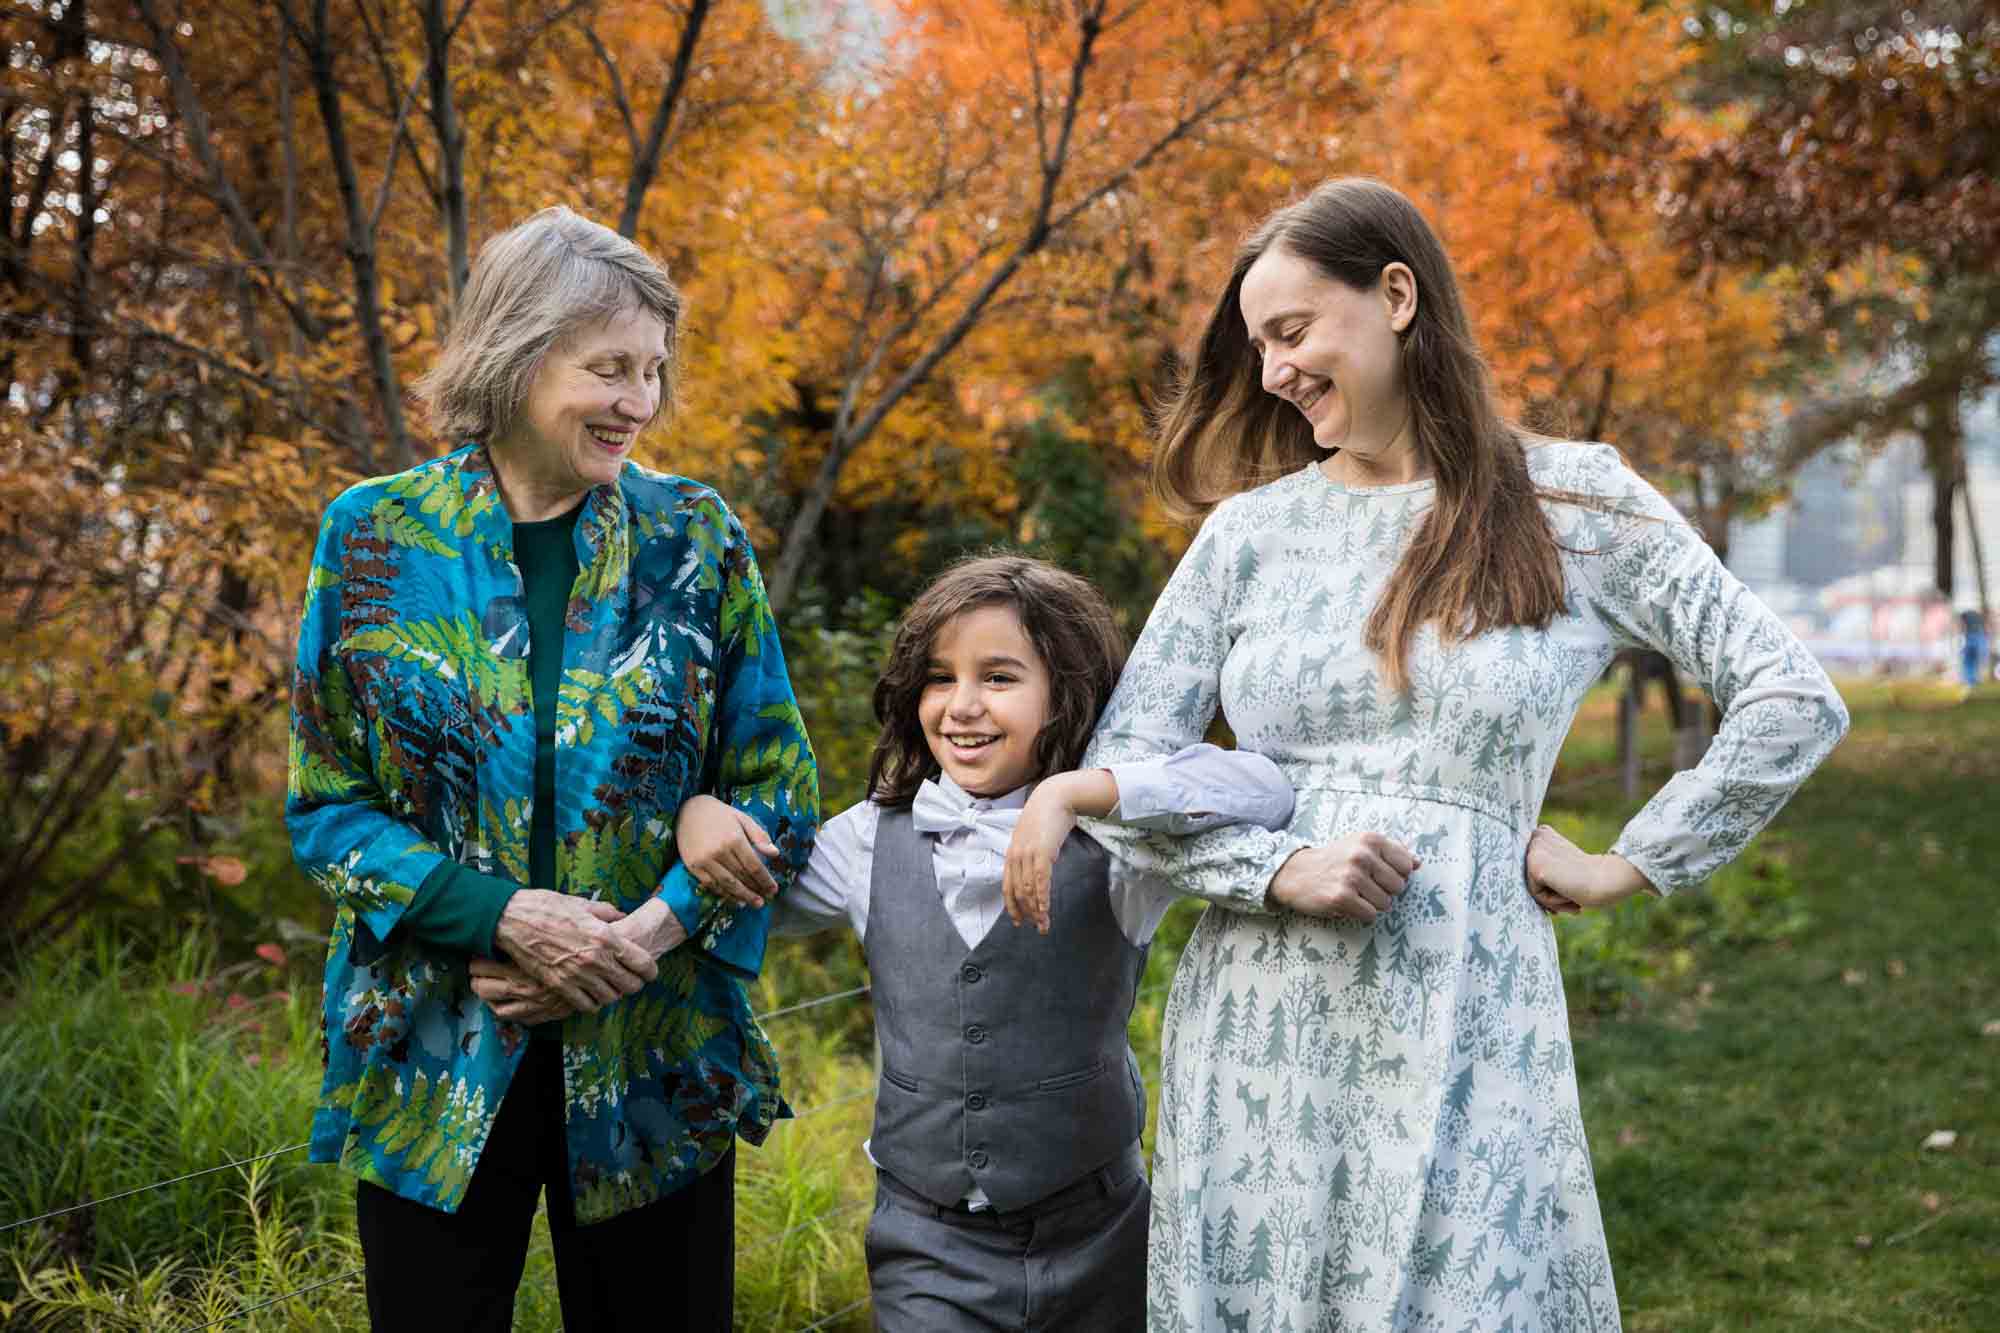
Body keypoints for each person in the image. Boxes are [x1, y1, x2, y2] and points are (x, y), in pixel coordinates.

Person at [1029, 178, 1849, 1331]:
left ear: (1397, 295)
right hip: (1261, 1034)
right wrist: (1268, 869)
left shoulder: (1573, 502)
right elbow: (1123, 772)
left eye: (1291, 331)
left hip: (1466, 1017)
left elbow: (1789, 696)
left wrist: (1635, 858)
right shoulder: (1248, 536)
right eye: (1256, 345)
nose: (1271, 371)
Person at [285, 205, 818, 1332]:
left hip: (652, 1057)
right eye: (609, 368)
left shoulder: (696, 541)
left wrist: (638, 938)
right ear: (518, 357)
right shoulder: (376, 538)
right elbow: (327, 807)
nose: (639, 400)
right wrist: (502, 915)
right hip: (437, 1044)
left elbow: (779, 791)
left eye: (654, 371)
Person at [674, 554, 1293, 1332]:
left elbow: (1266, 790)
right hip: (928, 1247)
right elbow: (738, 884)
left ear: (1065, 694)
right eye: (940, 678)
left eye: (999, 678)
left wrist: (1078, 792)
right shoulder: (867, 842)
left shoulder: (1120, 849)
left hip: (1106, 1238)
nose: (962, 706)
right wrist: (697, 812)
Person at [1959, 607, 1989, 694]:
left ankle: (1970, 684)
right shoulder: (1979, 616)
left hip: (1971, 638)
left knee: (1969, 663)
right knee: (1974, 662)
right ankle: (1973, 684)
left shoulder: (1964, 615)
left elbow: (1962, 626)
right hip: (1979, 637)